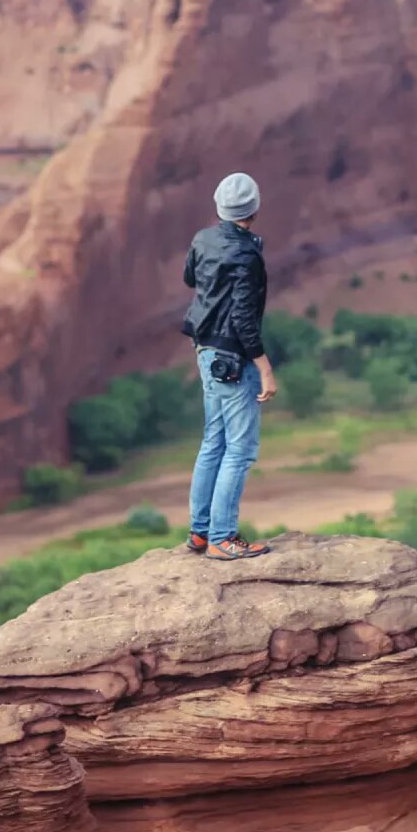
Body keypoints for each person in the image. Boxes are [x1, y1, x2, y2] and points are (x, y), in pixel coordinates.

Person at [182, 172, 277, 560]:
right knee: (240, 449)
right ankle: (223, 538)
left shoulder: (203, 239)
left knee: (213, 442)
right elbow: (242, 317)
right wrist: (265, 365)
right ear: (253, 209)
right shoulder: (246, 253)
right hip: (232, 358)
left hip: (205, 350)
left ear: (219, 206)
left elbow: (190, 277)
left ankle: (201, 532)